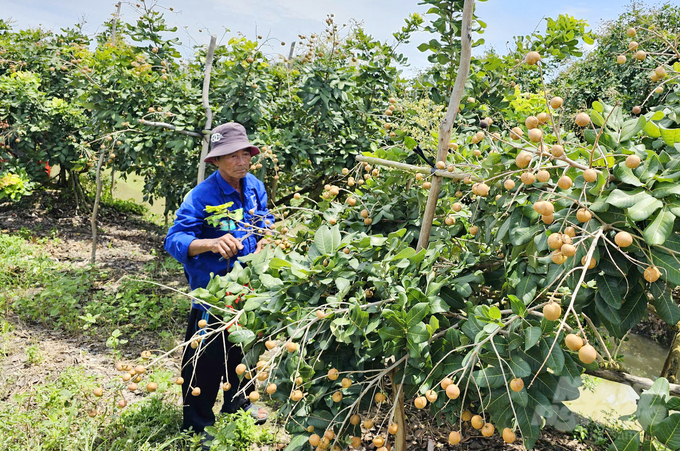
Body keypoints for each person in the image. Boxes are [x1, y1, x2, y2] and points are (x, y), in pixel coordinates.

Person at [164, 122, 273, 437]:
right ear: (215, 161)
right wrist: (211, 243)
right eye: (231, 156)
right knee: (205, 359)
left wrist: (266, 236)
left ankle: (238, 404)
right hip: (214, 293)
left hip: (247, 287)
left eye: (245, 154)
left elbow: (264, 219)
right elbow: (175, 240)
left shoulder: (254, 186)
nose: (241, 161)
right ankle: (197, 424)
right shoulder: (202, 196)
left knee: (243, 349)